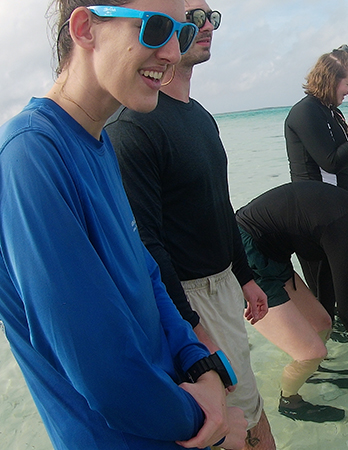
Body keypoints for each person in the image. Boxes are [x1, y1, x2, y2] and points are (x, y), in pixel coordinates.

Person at [0, 1, 247, 449]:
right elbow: (104, 372)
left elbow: (147, 275)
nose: (172, 52)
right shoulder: (30, 156)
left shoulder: (99, 142)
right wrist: (209, 421)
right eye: (155, 29)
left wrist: (199, 363)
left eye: (181, 34)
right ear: (85, 29)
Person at [104, 1, 275, 448]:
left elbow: (220, 204)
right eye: (191, 18)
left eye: (209, 17)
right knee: (237, 421)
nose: (204, 27)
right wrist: (193, 329)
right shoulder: (133, 127)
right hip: (190, 297)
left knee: (248, 410)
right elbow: (147, 243)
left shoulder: (199, 115)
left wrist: (245, 275)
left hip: (223, 285)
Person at [236, 174, 348, 423]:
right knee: (311, 353)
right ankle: (289, 401)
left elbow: (324, 274)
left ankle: (312, 372)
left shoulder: (344, 210)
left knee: (322, 323)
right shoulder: (342, 226)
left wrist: (337, 318)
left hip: (271, 256)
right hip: (245, 258)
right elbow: (347, 309)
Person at [285, 45, 348, 189]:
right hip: (315, 200)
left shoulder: (332, 111)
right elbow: (331, 163)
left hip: (337, 197)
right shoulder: (306, 111)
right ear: (331, 80)